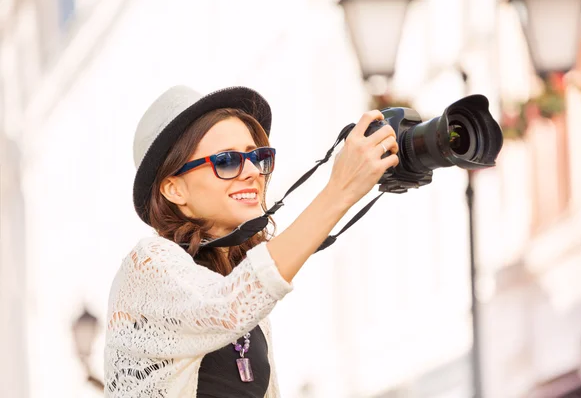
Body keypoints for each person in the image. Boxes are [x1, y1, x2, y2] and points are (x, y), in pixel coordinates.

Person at [103, 85, 399, 398]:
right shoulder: (148, 265)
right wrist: (341, 190)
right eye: (227, 161)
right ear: (174, 189)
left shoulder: (241, 289)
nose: (252, 172)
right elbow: (228, 306)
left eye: (256, 157)